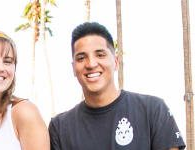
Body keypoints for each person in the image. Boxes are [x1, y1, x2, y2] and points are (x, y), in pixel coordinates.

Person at [48, 22, 186, 150]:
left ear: (116, 62)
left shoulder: (153, 109)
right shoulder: (60, 127)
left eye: (100, 55)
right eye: (81, 58)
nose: (91, 64)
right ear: (73, 68)